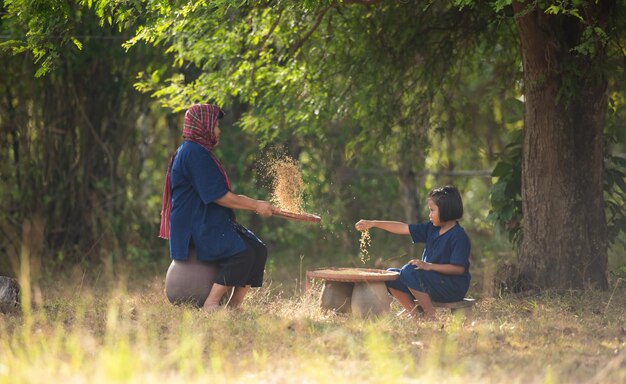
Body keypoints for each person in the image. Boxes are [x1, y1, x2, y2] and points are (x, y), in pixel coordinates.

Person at [159, 103, 278, 311]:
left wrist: (257, 205)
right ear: (203, 127)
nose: (218, 130)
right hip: (195, 224)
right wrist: (256, 205)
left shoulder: (198, 151)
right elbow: (219, 196)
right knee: (242, 254)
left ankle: (234, 307)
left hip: (208, 219)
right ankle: (211, 304)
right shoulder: (194, 153)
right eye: (215, 125)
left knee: (257, 249)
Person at [354, 185, 470, 319]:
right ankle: (415, 313)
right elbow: (403, 228)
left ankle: (430, 316)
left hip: (451, 287)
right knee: (390, 275)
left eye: (432, 210)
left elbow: (458, 269)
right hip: (431, 282)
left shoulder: (458, 236)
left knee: (409, 271)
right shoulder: (431, 228)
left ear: (445, 210)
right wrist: (373, 223)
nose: (429, 214)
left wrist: (428, 266)